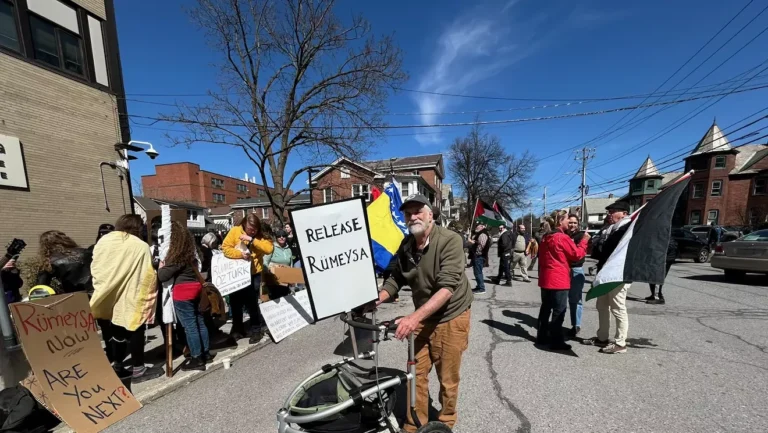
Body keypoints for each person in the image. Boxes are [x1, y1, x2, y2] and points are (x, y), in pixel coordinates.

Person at [372, 194, 473, 433]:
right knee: (414, 374)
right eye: (408, 213)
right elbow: (395, 278)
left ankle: (445, 423)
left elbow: (447, 287)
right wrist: (375, 300)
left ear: (431, 214)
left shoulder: (450, 240)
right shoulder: (406, 244)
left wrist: (413, 317)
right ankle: (414, 424)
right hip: (423, 315)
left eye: (418, 211)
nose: (413, 217)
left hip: (452, 315)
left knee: (447, 378)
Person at [90, 214, 162, 382]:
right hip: (132, 293)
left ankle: (118, 366)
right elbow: (147, 274)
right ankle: (138, 369)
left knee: (117, 330)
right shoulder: (140, 246)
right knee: (135, 328)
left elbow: (97, 266)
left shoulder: (104, 242)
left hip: (109, 292)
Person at [158, 221, 211, 371]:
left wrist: (161, 266)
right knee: (200, 323)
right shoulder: (193, 253)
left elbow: (163, 275)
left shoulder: (178, 255)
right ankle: (205, 353)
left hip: (183, 292)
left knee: (190, 327)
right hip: (196, 289)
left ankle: (197, 358)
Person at [582, 201, 632, 354]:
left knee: (618, 308)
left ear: (624, 213)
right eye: (609, 211)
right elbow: (599, 251)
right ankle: (602, 337)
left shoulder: (628, 228)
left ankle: (620, 343)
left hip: (619, 274)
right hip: (604, 273)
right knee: (602, 306)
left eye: (614, 211)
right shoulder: (609, 229)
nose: (610, 214)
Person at [537, 213, 589, 350]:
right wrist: (584, 241)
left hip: (546, 277)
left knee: (545, 308)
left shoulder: (545, 237)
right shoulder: (562, 237)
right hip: (558, 278)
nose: (569, 222)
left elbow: (541, 258)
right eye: (567, 219)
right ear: (560, 221)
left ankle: (541, 336)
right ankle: (556, 340)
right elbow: (576, 255)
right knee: (559, 310)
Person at [222, 213, 274, 343]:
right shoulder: (235, 231)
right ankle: (237, 330)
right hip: (237, 274)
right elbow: (225, 248)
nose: (253, 231)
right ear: (244, 224)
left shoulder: (260, 236)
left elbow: (268, 249)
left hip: (254, 273)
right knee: (235, 303)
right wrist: (240, 254)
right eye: (251, 229)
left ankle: (256, 330)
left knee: (252, 303)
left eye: (255, 229)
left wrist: (251, 239)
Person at [35, 230, 93, 294]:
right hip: (95, 293)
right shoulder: (86, 252)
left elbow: (40, 288)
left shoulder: (48, 261)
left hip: (74, 297)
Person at [566, 214, 586, 338]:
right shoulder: (563, 235)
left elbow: (578, 253)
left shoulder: (581, 236)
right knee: (562, 299)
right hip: (564, 269)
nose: (572, 225)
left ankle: (576, 325)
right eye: (570, 222)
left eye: (575, 223)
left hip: (577, 269)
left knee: (576, 299)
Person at [263, 229, 294, 299]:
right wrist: (268, 271)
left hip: (285, 279)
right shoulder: (272, 247)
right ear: (276, 238)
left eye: (283, 236)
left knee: (285, 297)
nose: (281, 237)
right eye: (279, 236)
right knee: (275, 298)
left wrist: (292, 277)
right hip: (273, 279)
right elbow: (265, 261)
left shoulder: (288, 249)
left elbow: (291, 264)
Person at [647, 237, 677, 305]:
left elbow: (669, 248)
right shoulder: (661, 235)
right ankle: (653, 295)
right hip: (660, 259)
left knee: (658, 277)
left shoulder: (667, 237)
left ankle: (659, 298)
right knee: (652, 277)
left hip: (665, 260)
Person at [468, 220, 490, 294]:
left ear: (482, 227)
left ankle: (481, 288)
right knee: (477, 272)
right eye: (476, 226)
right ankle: (479, 286)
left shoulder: (483, 234)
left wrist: (473, 242)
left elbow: (482, 245)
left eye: (478, 226)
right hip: (477, 256)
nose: (476, 227)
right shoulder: (479, 234)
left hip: (479, 256)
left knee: (478, 273)